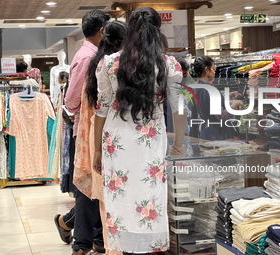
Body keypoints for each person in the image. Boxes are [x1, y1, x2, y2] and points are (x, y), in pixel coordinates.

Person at [93, 7, 187, 254]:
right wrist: (178, 142)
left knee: (121, 197)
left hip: (116, 141)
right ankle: (148, 248)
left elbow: (101, 111)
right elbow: (179, 108)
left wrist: (96, 151)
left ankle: (126, 248)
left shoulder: (109, 63)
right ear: (158, 30)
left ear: (129, 29)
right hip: (150, 143)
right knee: (149, 195)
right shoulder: (167, 65)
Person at [54, 10, 110, 255]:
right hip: (87, 130)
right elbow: (73, 97)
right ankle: (82, 242)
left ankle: (77, 229)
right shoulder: (88, 57)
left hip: (95, 128)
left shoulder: (94, 54)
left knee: (94, 185)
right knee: (88, 185)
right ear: (101, 31)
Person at [76, 20, 127, 255]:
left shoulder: (97, 66)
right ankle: (107, 245)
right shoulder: (120, 66)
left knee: (106, 199)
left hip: (97, 136)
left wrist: (92, 145)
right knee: (119, 199)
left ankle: (104, 244)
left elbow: (91, 110)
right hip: (117, 137)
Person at [189, 56, 244, 140]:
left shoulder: (196, 87)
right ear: (206, 70)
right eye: (213, 68)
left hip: (205, 131)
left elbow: (206, 103)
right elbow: (221, 116)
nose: (214, 72)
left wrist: (225, 97)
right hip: (216, 133)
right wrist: (235, 104)